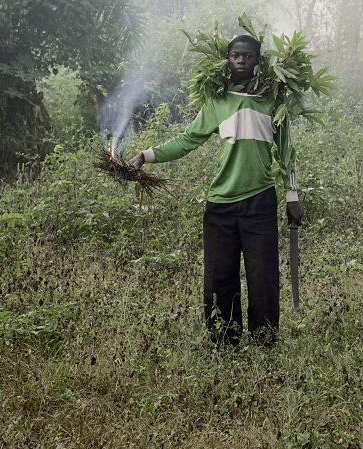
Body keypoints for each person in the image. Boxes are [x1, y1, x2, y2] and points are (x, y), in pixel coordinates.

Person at [128, 34, 303, 346]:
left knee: (262, 276)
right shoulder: (217, 102)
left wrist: (292, 195)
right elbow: (187, 139)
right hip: (220, 204)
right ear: (227, 59)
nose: (240, 60)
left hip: (260, 201)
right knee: (219, 276)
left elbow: (287, 149)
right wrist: (145, 156)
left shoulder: (273, 101)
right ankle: (224, 338)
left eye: (246, 56)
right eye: (235, 55)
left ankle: (264, 341)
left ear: (257, 61)